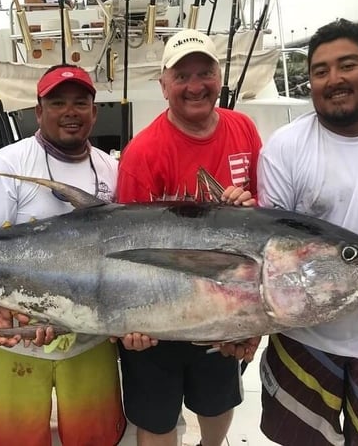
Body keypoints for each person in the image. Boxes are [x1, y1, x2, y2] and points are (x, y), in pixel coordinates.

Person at [257, 19, 358, 445]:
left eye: (347, 65)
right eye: (320, 71)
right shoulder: (285, 146)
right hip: (301, 337)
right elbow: (268, 249)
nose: (334, 80)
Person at [116, 28, 262, 446]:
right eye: (182, 77)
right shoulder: (143, 153)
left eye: (204, 73)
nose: (195, 86)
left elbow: (263, 217)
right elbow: (128, 251)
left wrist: (246, 208)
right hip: (159, 312)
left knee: (217, 403)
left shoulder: (244, 128)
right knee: (157, 418)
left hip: (225, 306)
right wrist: (131, 319)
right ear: (164, 86)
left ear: (220, 77)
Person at [0, 64, 126, 446]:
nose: (70, 112)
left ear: (94, 112)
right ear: (38, 112)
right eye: (57, 103)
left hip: (90, 340)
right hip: (20, 337)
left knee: (95, 438)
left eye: (80, 103)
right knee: (14, 439)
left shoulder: (112, 169)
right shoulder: (7, 165)